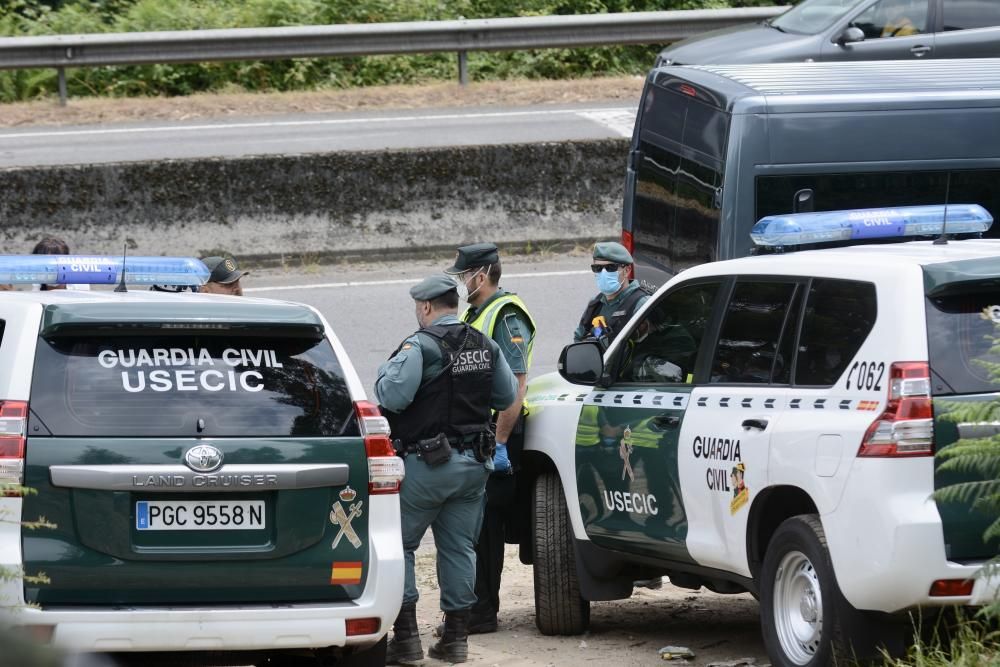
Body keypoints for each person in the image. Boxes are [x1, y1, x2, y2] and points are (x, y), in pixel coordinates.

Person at [376, 274, 518, 665]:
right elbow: (506, 395)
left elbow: (392, 396)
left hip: (426, 467)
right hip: (474, 466)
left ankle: (405, 640)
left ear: (425, 307)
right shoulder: (485, 343)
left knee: (401, 546)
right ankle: (455, 640)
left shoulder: (420, 346)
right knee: (459, 548)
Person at [444, 242, 537, 635]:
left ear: (481, 275)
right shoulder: (476, 311)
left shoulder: (506, 315)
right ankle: (476, 608)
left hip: (497, 436)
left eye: (465, 275)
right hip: (475, 434)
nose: (462, 282)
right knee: (473, 528)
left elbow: (516, 387)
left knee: (486, 530)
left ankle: (483, 613)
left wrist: (500, 442)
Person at [574, 242, 649, 346]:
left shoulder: (641, 305)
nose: (603, 273)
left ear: (626, 270)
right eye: (598, 268)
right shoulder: (596, 305)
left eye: (611, 268)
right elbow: (578, 339)